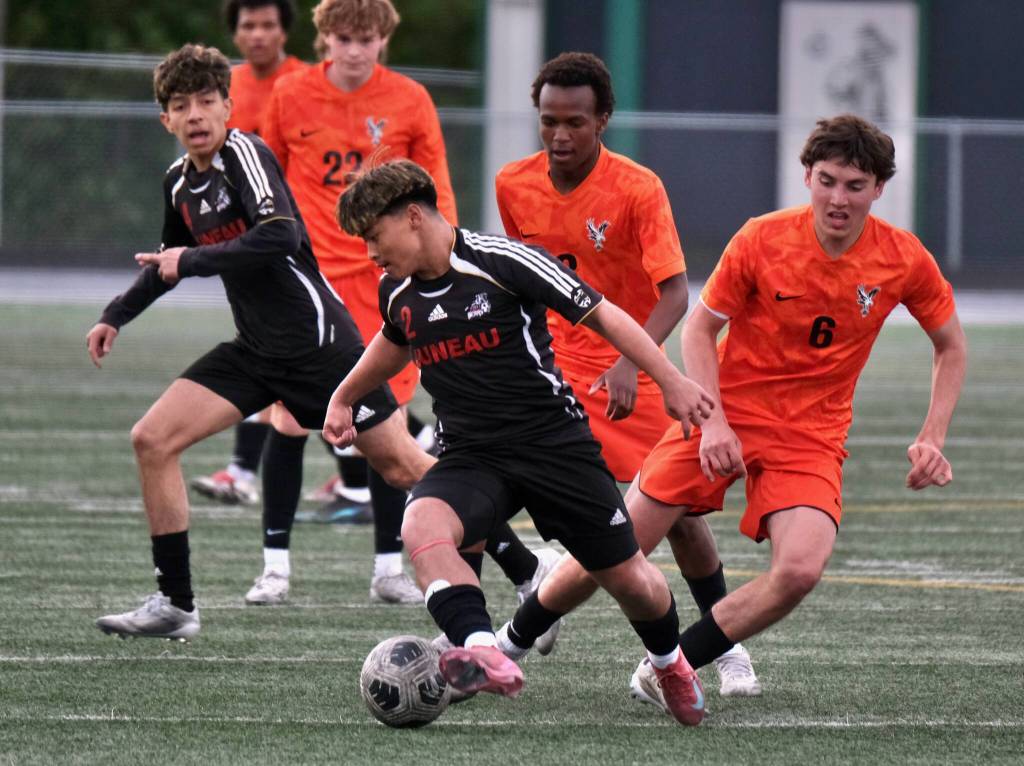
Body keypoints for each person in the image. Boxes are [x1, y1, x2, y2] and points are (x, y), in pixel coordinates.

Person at [498, 114, 967, 714]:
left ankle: (675, 664)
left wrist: (933, 436)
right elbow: (700, 327)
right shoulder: (762, 238)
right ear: (807, 177)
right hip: (727, 412)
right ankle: (512, 640)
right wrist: (714, 420)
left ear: (879, 189)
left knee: (799, 570)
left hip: (811, 435)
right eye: (827, 181)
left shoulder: (903, 259)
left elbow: (951, 345)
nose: (838, 198)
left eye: (855, 185)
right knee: (612, 550)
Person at [324, 159, 714, 726]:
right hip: (472, 453)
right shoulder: (396, 290)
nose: (370, 253)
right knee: (422, 524)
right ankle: (481, 648)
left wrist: (671, 380)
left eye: (373, 236)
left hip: (553, 444)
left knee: (631, 579)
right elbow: (395, 342)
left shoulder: (504, 261)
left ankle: (668, 661)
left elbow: (605, 316)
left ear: (412, 216)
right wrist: (344, 396)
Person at [88, 44, 433, 641]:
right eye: (180, 105)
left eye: (206, 102)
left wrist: (190, 260)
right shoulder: (180, 181)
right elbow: (169, 260)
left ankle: (529, 568)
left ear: (228, 107)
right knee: (152, 438)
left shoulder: (243, 154)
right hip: (256, 352)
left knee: (404, 467)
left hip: (319, 348)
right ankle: (176, 603)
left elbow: (279, 235)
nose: (195, 115)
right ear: (164, 120)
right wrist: (117, 314)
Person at [493, 51, 761, 696]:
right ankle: (524, 601)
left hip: (632, 367)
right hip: (550, 366)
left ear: (603, 120)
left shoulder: (637, 187)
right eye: (549, 121)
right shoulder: (512, 183)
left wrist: (624, 361)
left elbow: (674, 294)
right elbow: (522, 280)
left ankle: (724, 650)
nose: (560, 135)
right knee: (482, 467)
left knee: (681, 514)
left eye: (575, 123)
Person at [242, 0, 459, 606]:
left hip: (388, 287)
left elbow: (436, 195)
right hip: (310, 290)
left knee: (386, 431)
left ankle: (389, 568)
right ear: (324, 39)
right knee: (286, 418)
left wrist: (443, 268)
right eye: (344, 36)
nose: (356, 49)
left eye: (367, 37)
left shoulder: (411, 100)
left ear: (384, 38)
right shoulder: (289, 96)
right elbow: (266, 184)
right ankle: (275, 567)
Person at [189, 0, 307, 507]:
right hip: (247, 244)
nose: (258, 34)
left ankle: (409, 448)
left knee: (306, 364)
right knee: (283, 359)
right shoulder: (223, 88)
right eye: (248, 25)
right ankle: (243, 470)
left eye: (268, 25)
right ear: (235, 34)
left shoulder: (304, 84)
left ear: (285, 32)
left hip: (295, 240)